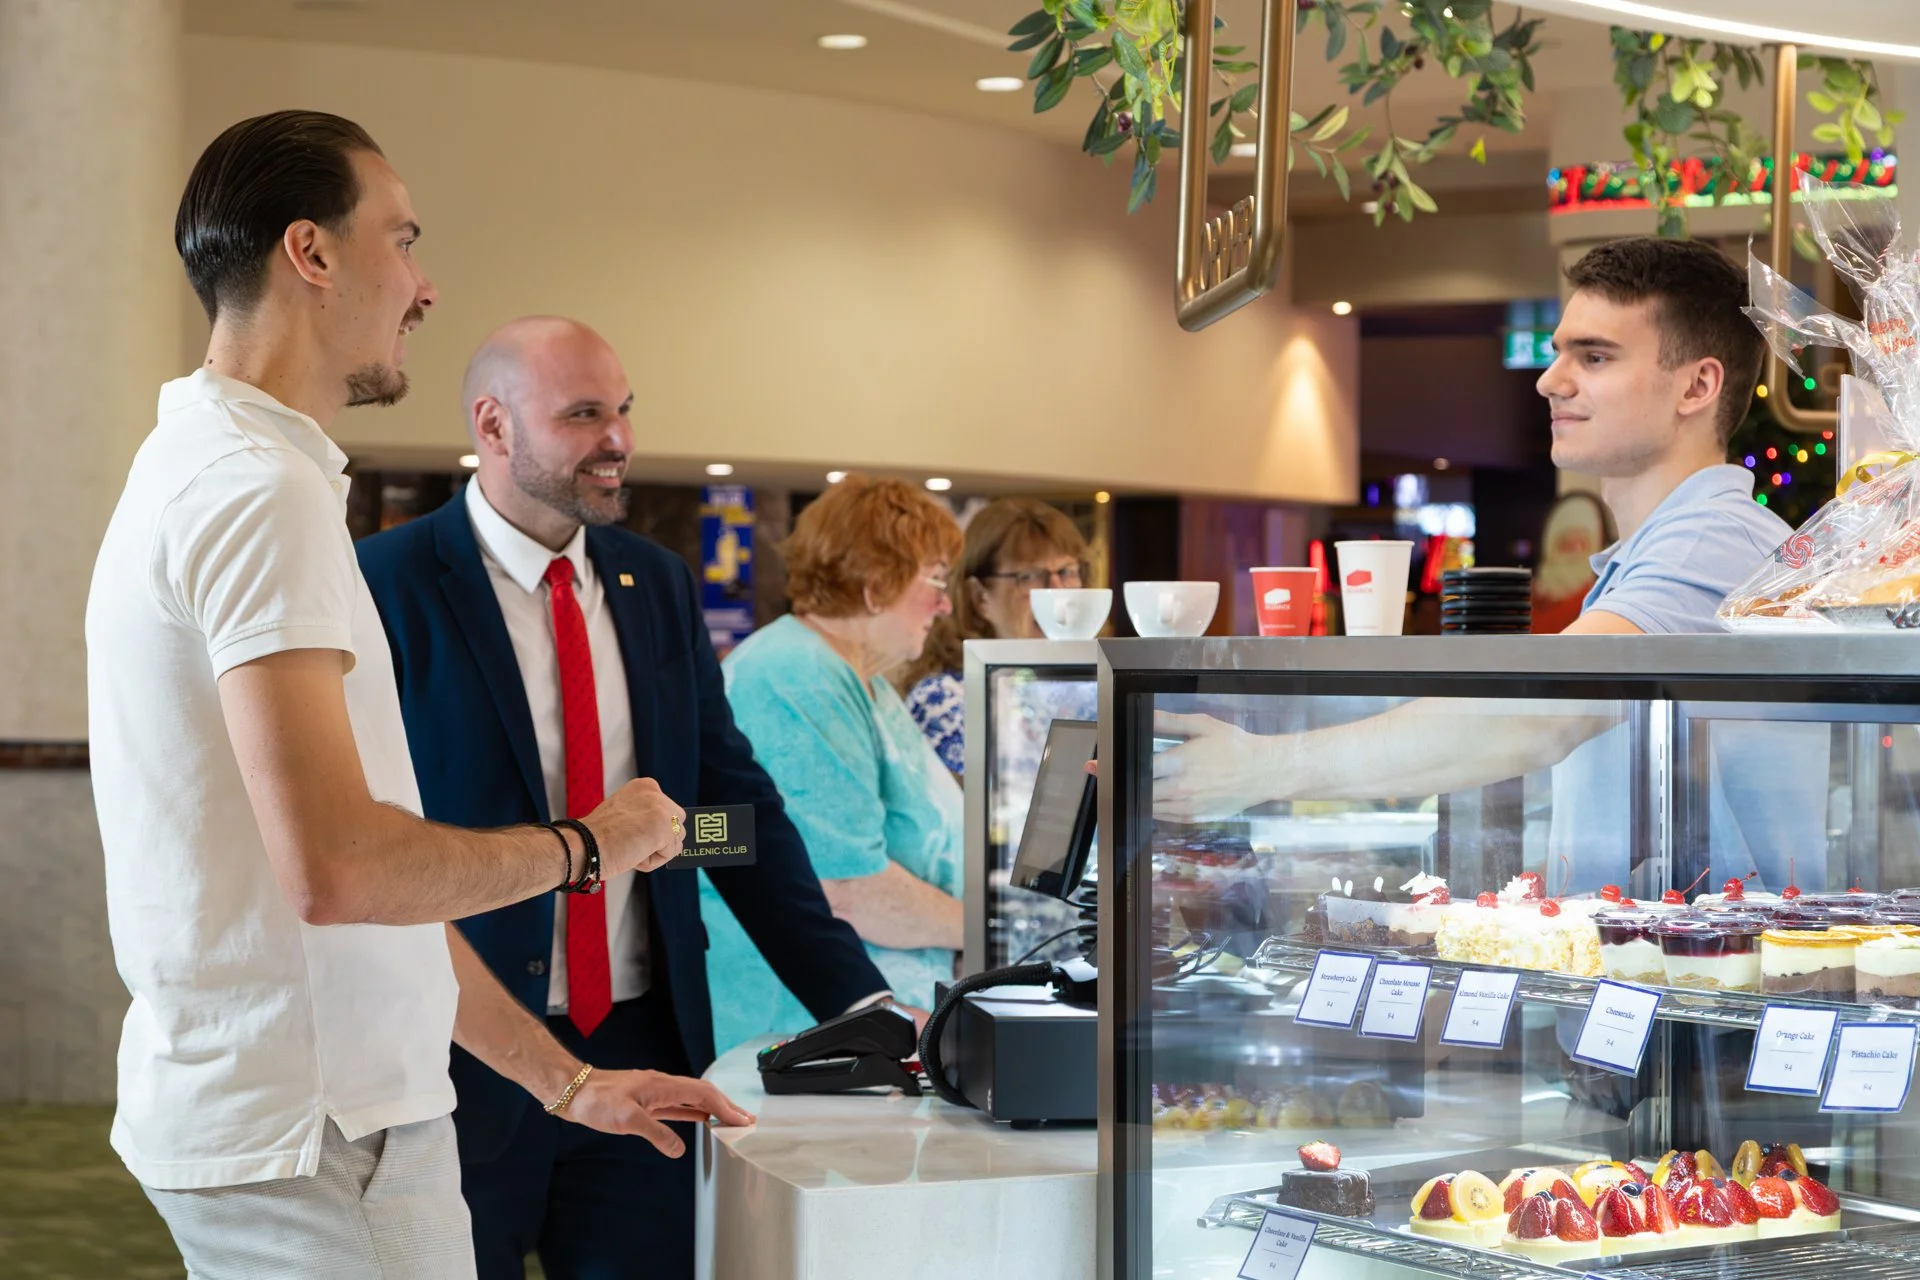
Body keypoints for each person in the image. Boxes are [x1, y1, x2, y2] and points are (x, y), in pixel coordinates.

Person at [86, 111, 748, 1280]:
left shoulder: (223, 468)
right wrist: (587, 845)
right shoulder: (258, 491)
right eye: (403, 238)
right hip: (324, 1125)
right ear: (313, 253)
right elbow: (343, 867)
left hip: (338, 1100)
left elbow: (375, 876)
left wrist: (568, 1076)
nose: (424, 283)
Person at [356, 316, 895, 1280]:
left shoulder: (656, 584)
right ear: (494, 425)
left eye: (624, 411)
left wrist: (860, 1000)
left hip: (644, 1047)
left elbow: (722, 820)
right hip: (461, 1054)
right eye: (584, 414)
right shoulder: (386, 585)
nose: (619, 439)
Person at [1152, 236, 1822, 891]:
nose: (1550, 380)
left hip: (1713, 983)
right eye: (1560, 353)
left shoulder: (1714, 539)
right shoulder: (1658, 548)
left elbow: (1541, 713)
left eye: (1594, 357)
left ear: (1697, 385)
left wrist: (1268, 767)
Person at [700, 476, 967, 1052]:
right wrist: (994, 930)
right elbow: (848, 888)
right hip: (806, 1024)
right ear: (876, 586)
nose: (945, 604)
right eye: (937, 579)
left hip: (878, 1021)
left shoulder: (858, 679)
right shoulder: (797, 676)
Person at [897, 496, 1091, 775]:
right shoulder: (945, 704)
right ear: (979, 597)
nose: (1057, 592)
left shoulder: (1098, 686)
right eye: (1030, 576)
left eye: (1066, 571)